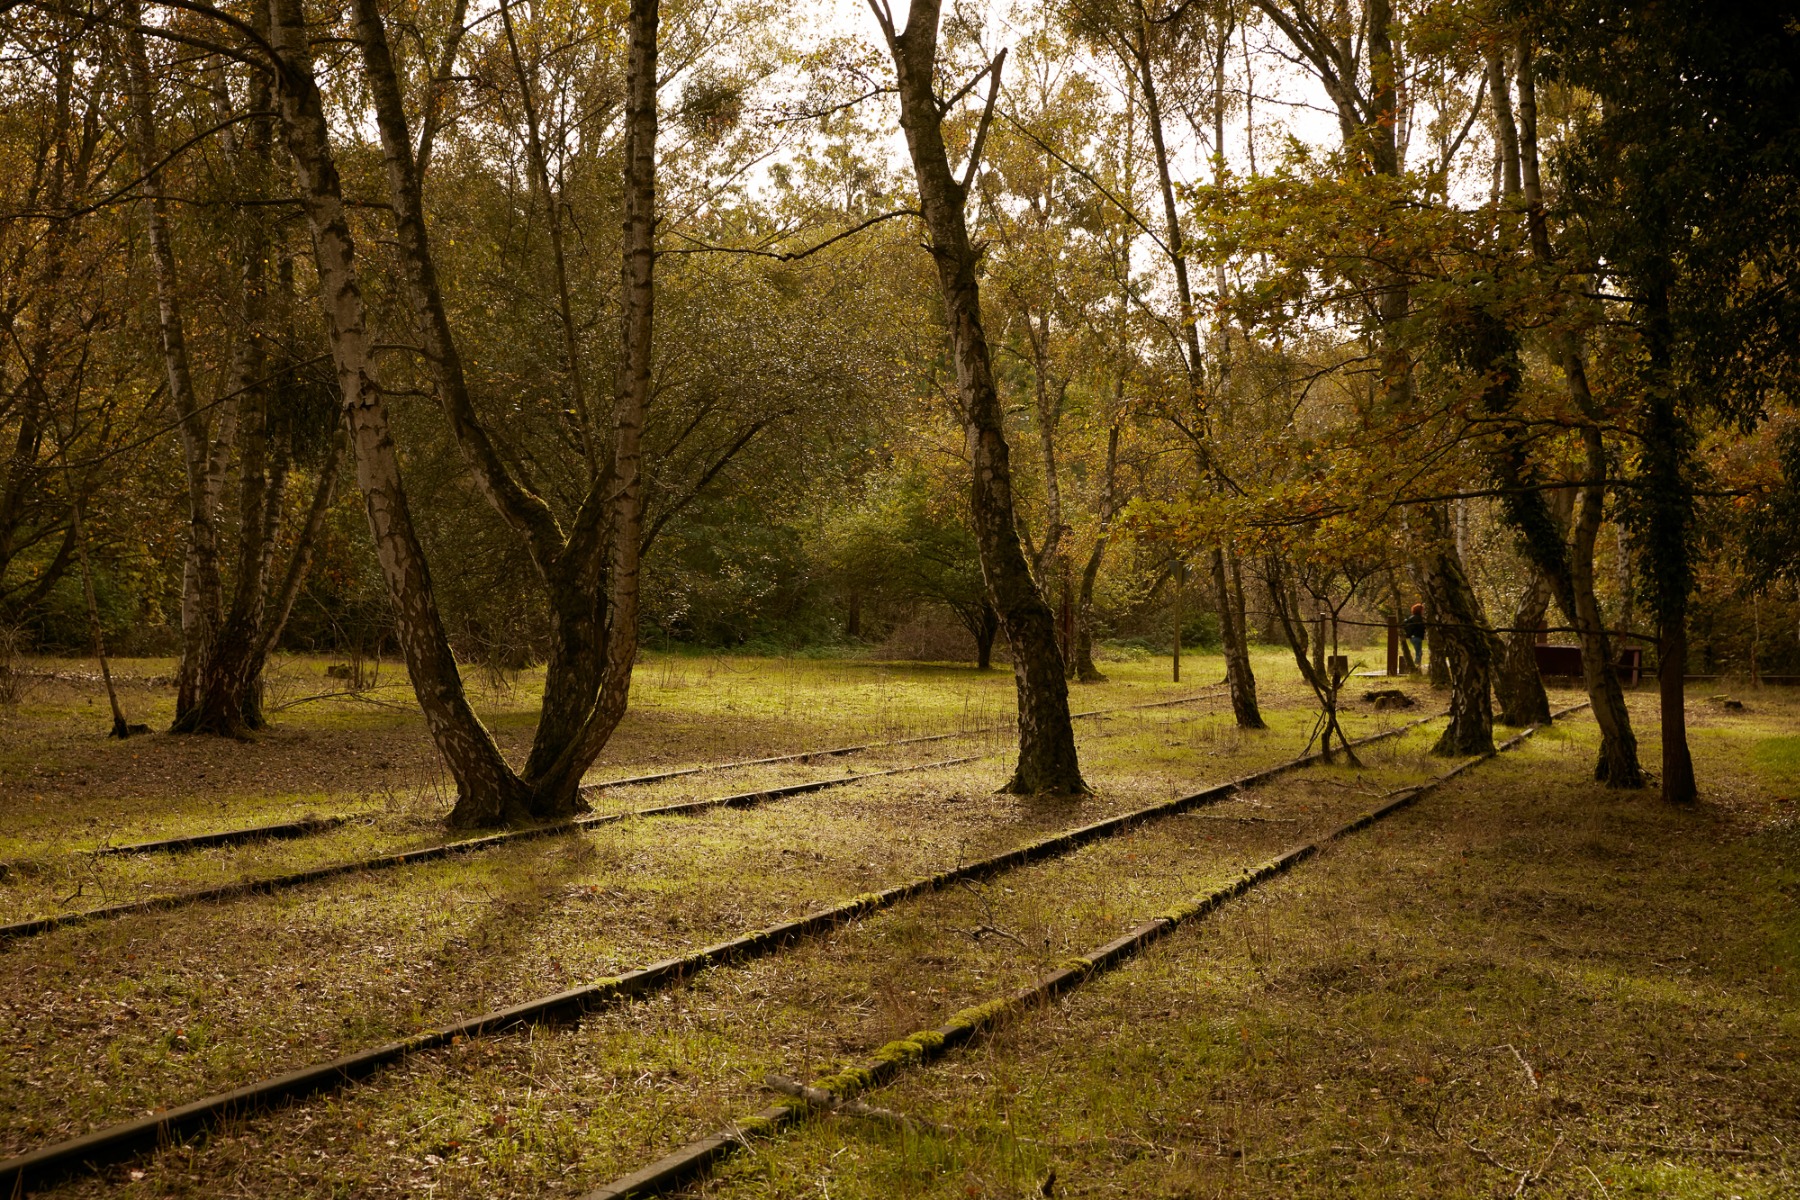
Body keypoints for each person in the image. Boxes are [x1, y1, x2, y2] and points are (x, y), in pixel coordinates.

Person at [1403, 603, 1426, 672]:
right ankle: (1417, 666)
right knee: (1419, 652)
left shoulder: (1411, 618)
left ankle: (1417, 665)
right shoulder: (1418, 618)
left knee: (1418, 652)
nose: (1423, 611)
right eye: (1422, 610)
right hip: (1417, 637)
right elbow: (1421, 628)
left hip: (1413, 637)